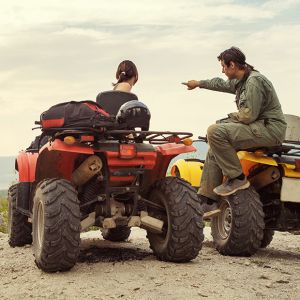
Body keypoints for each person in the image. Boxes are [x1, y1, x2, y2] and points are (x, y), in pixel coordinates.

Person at [182, 46, 287, 212]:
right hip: (259, 128)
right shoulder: (242, 80)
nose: (222, 70)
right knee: (215, 147)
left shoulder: (254, 81)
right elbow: (220, 84)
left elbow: (247, 116)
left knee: (215, 131)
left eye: (223, 66)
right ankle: (208, 200)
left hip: (269, 130)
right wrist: (198, 84)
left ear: (232, 65)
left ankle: (237, 178)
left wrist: (227, 119)